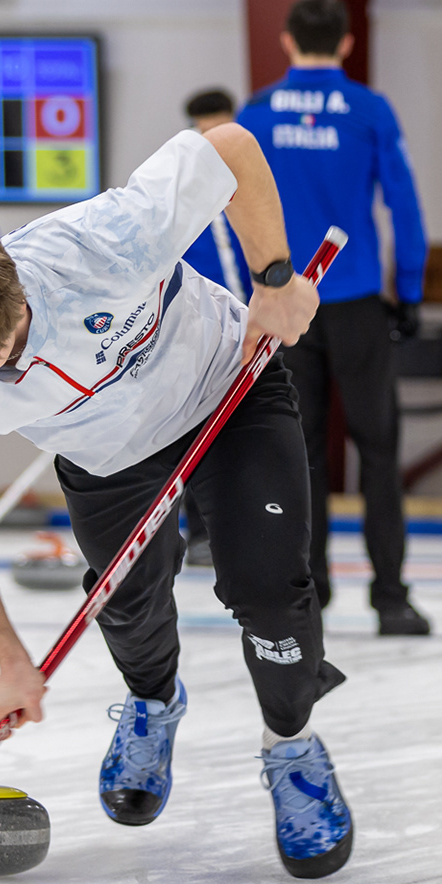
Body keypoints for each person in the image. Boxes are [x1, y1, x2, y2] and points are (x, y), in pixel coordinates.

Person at [0, 122, 356, 878]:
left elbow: (230, 148)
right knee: (125, 605)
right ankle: (153, 703)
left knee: (272, 595)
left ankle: (291, 745)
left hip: (226, 386)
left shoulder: (101, 243)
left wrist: (273, 281)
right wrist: (10, 659)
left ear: (16, 305)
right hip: (104, 452)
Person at [235, 0, 431, 637]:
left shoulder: (257, 113)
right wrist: (410, 291)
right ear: (346, 42)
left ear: (287, 41)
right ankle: (392, 599)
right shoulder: (370, 110)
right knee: (379, 450)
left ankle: (309, 594)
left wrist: (259, 290)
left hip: (289, 307)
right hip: (356, 304)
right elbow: (404, 205)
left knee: (301, 454)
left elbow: (234, 208)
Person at [175, 87, 250, 568]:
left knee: (237, 433)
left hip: (240, 323)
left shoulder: (249, 176)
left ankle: (236, 529)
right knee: (189, 429)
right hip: (187, 325)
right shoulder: (179, 179)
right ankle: (198, 531)